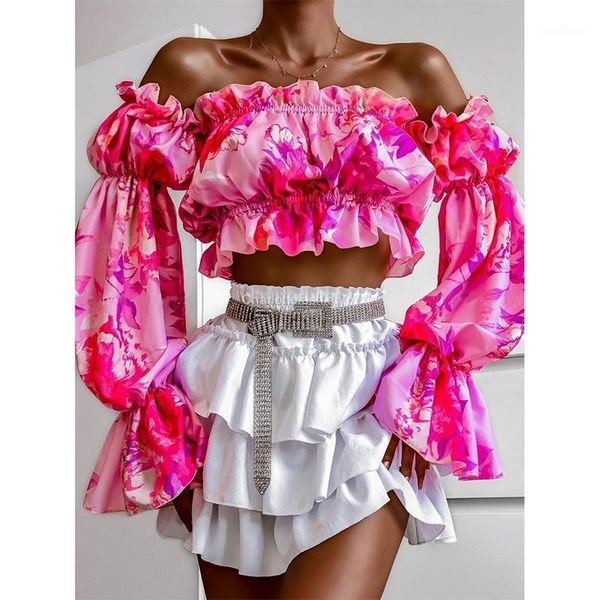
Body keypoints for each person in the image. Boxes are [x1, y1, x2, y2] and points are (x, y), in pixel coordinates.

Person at [75, 0, 524, 597]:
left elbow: (492, 237)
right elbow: (121, 247)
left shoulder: (415, 71)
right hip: (229, 392)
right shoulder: (192, 68)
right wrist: (149, 387)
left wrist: (431, 371)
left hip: (365, 390)